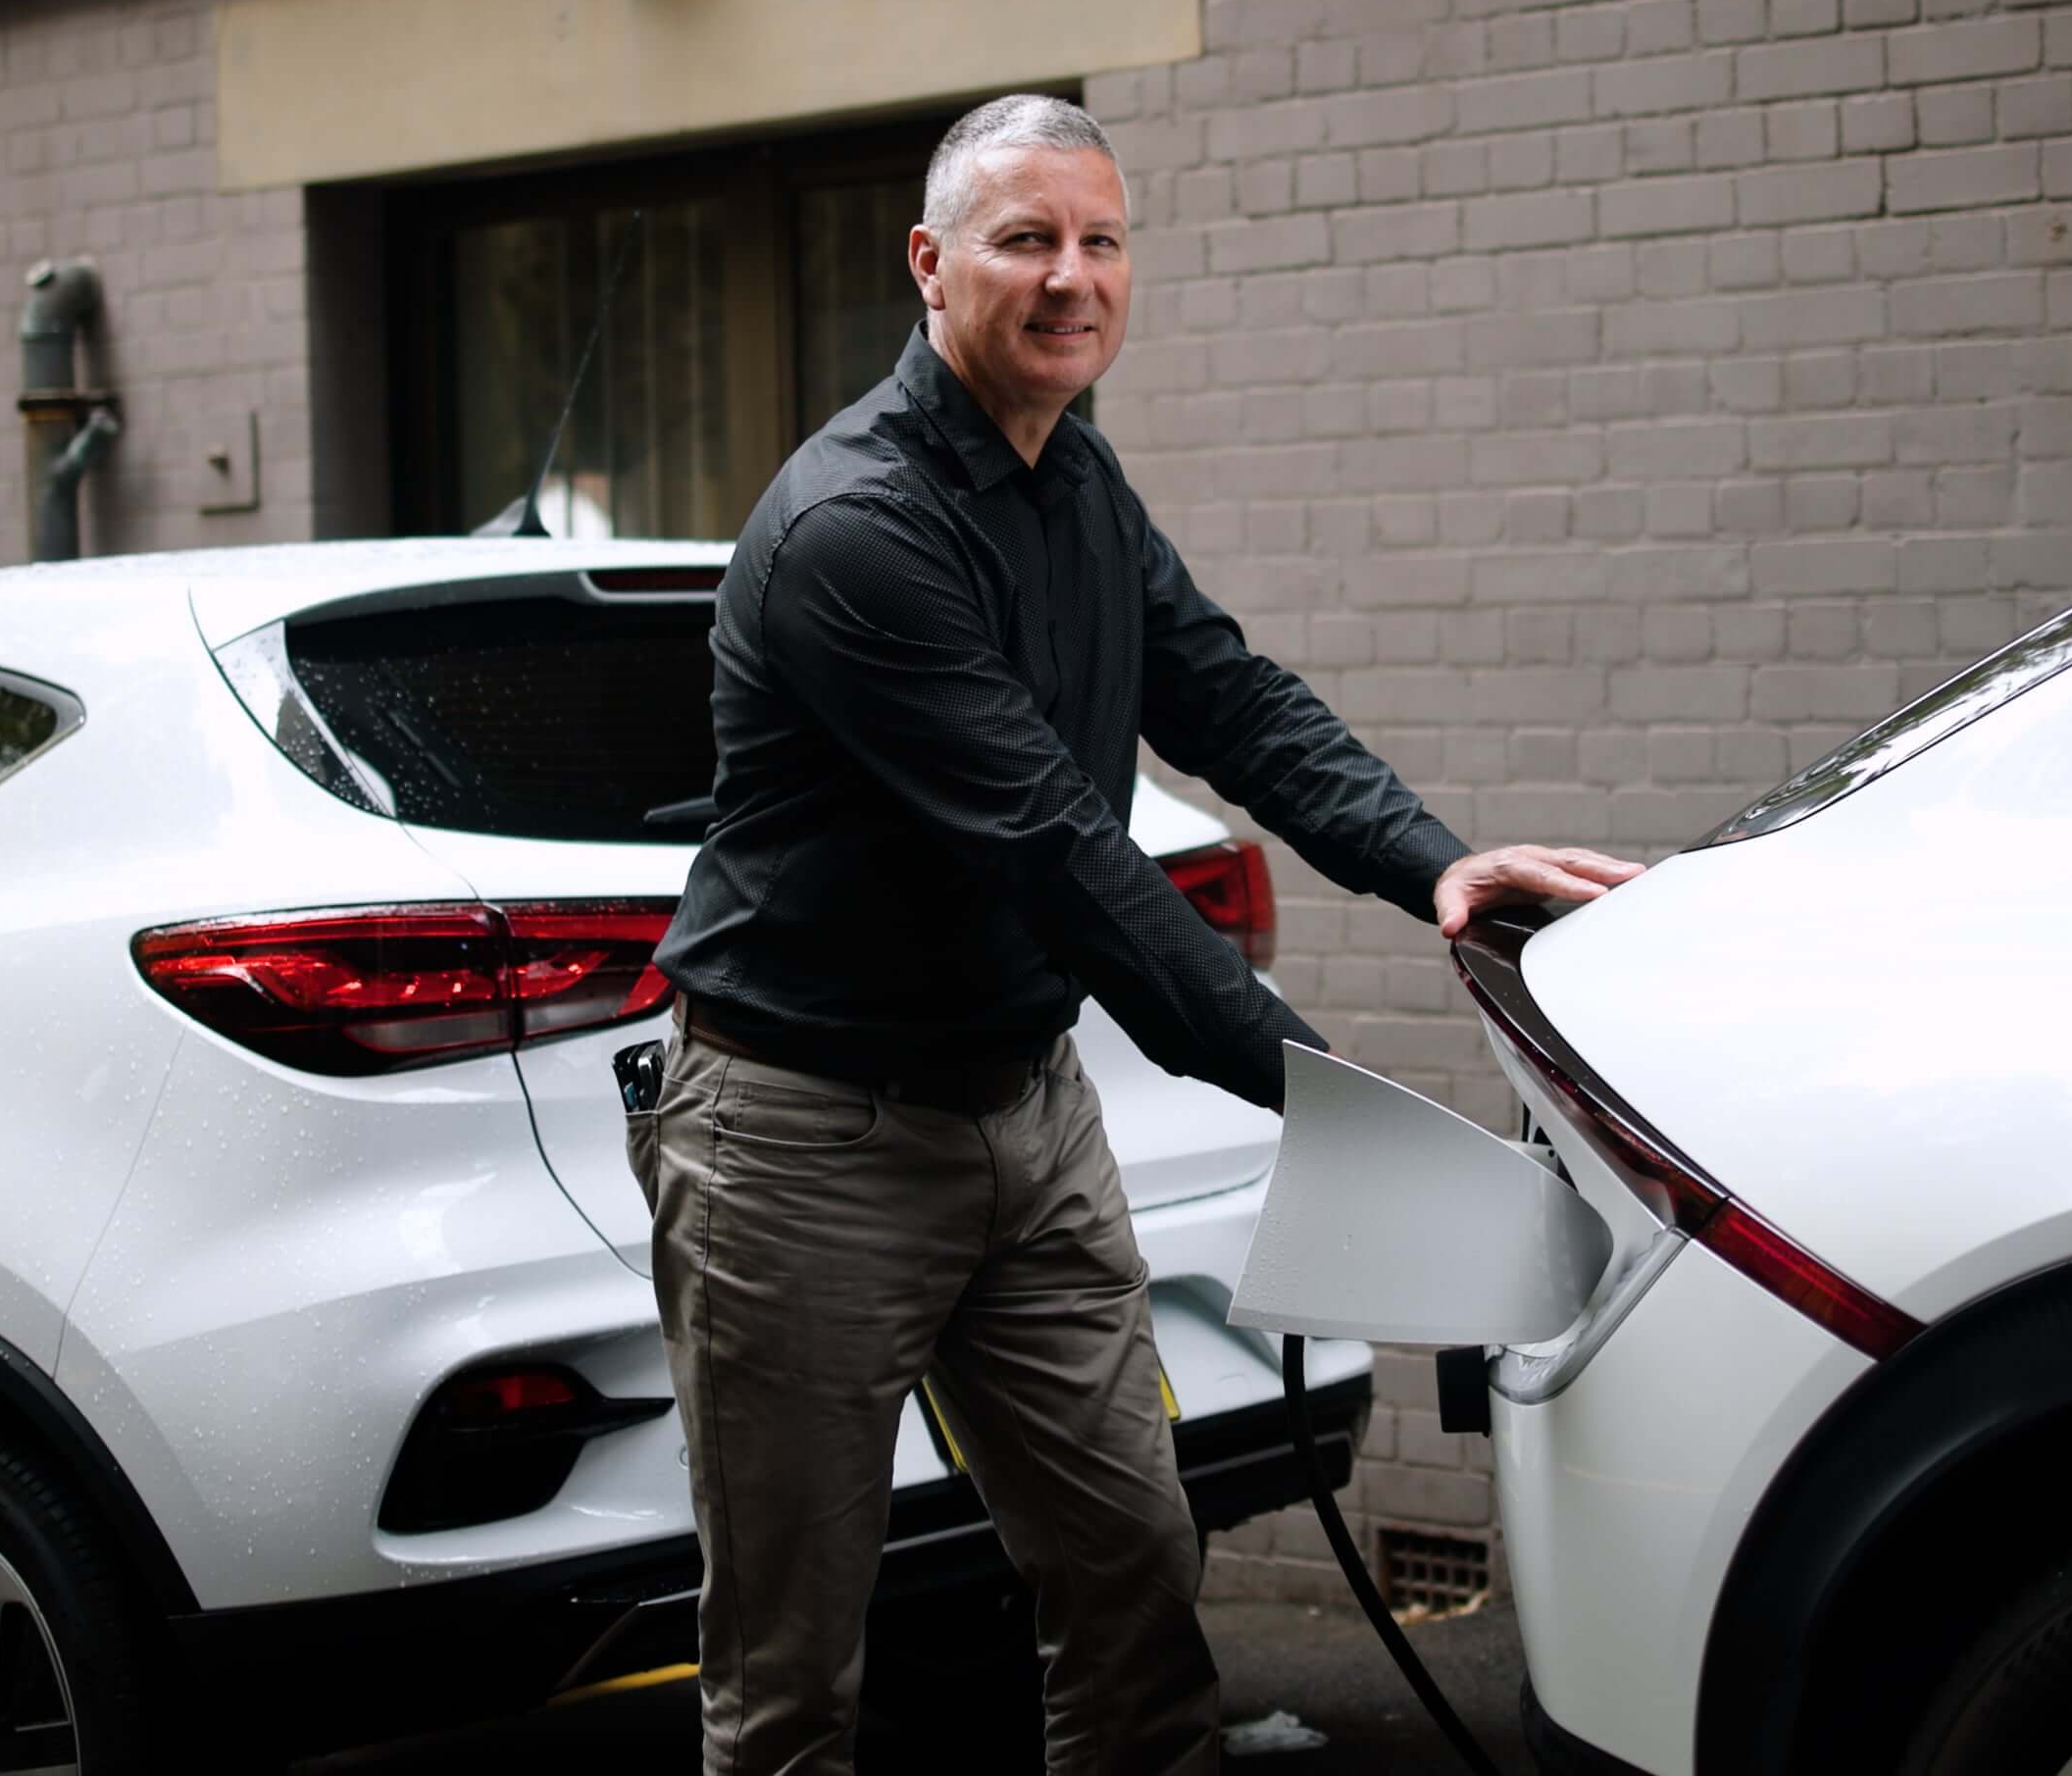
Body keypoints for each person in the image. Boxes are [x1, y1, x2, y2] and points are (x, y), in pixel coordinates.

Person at [638, 94, 1642, 1776]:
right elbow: (1059, 850)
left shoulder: (1073, 476)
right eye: (1027, 238)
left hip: (1021, 1116)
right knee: (793, 1675)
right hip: (804, 1149)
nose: (1071, 278)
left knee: (1132, 1575)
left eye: (1101, 241)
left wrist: (1439, 866)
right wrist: (1332, 1098)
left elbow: (1231, 703)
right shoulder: (855, 532)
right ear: (931, 263)